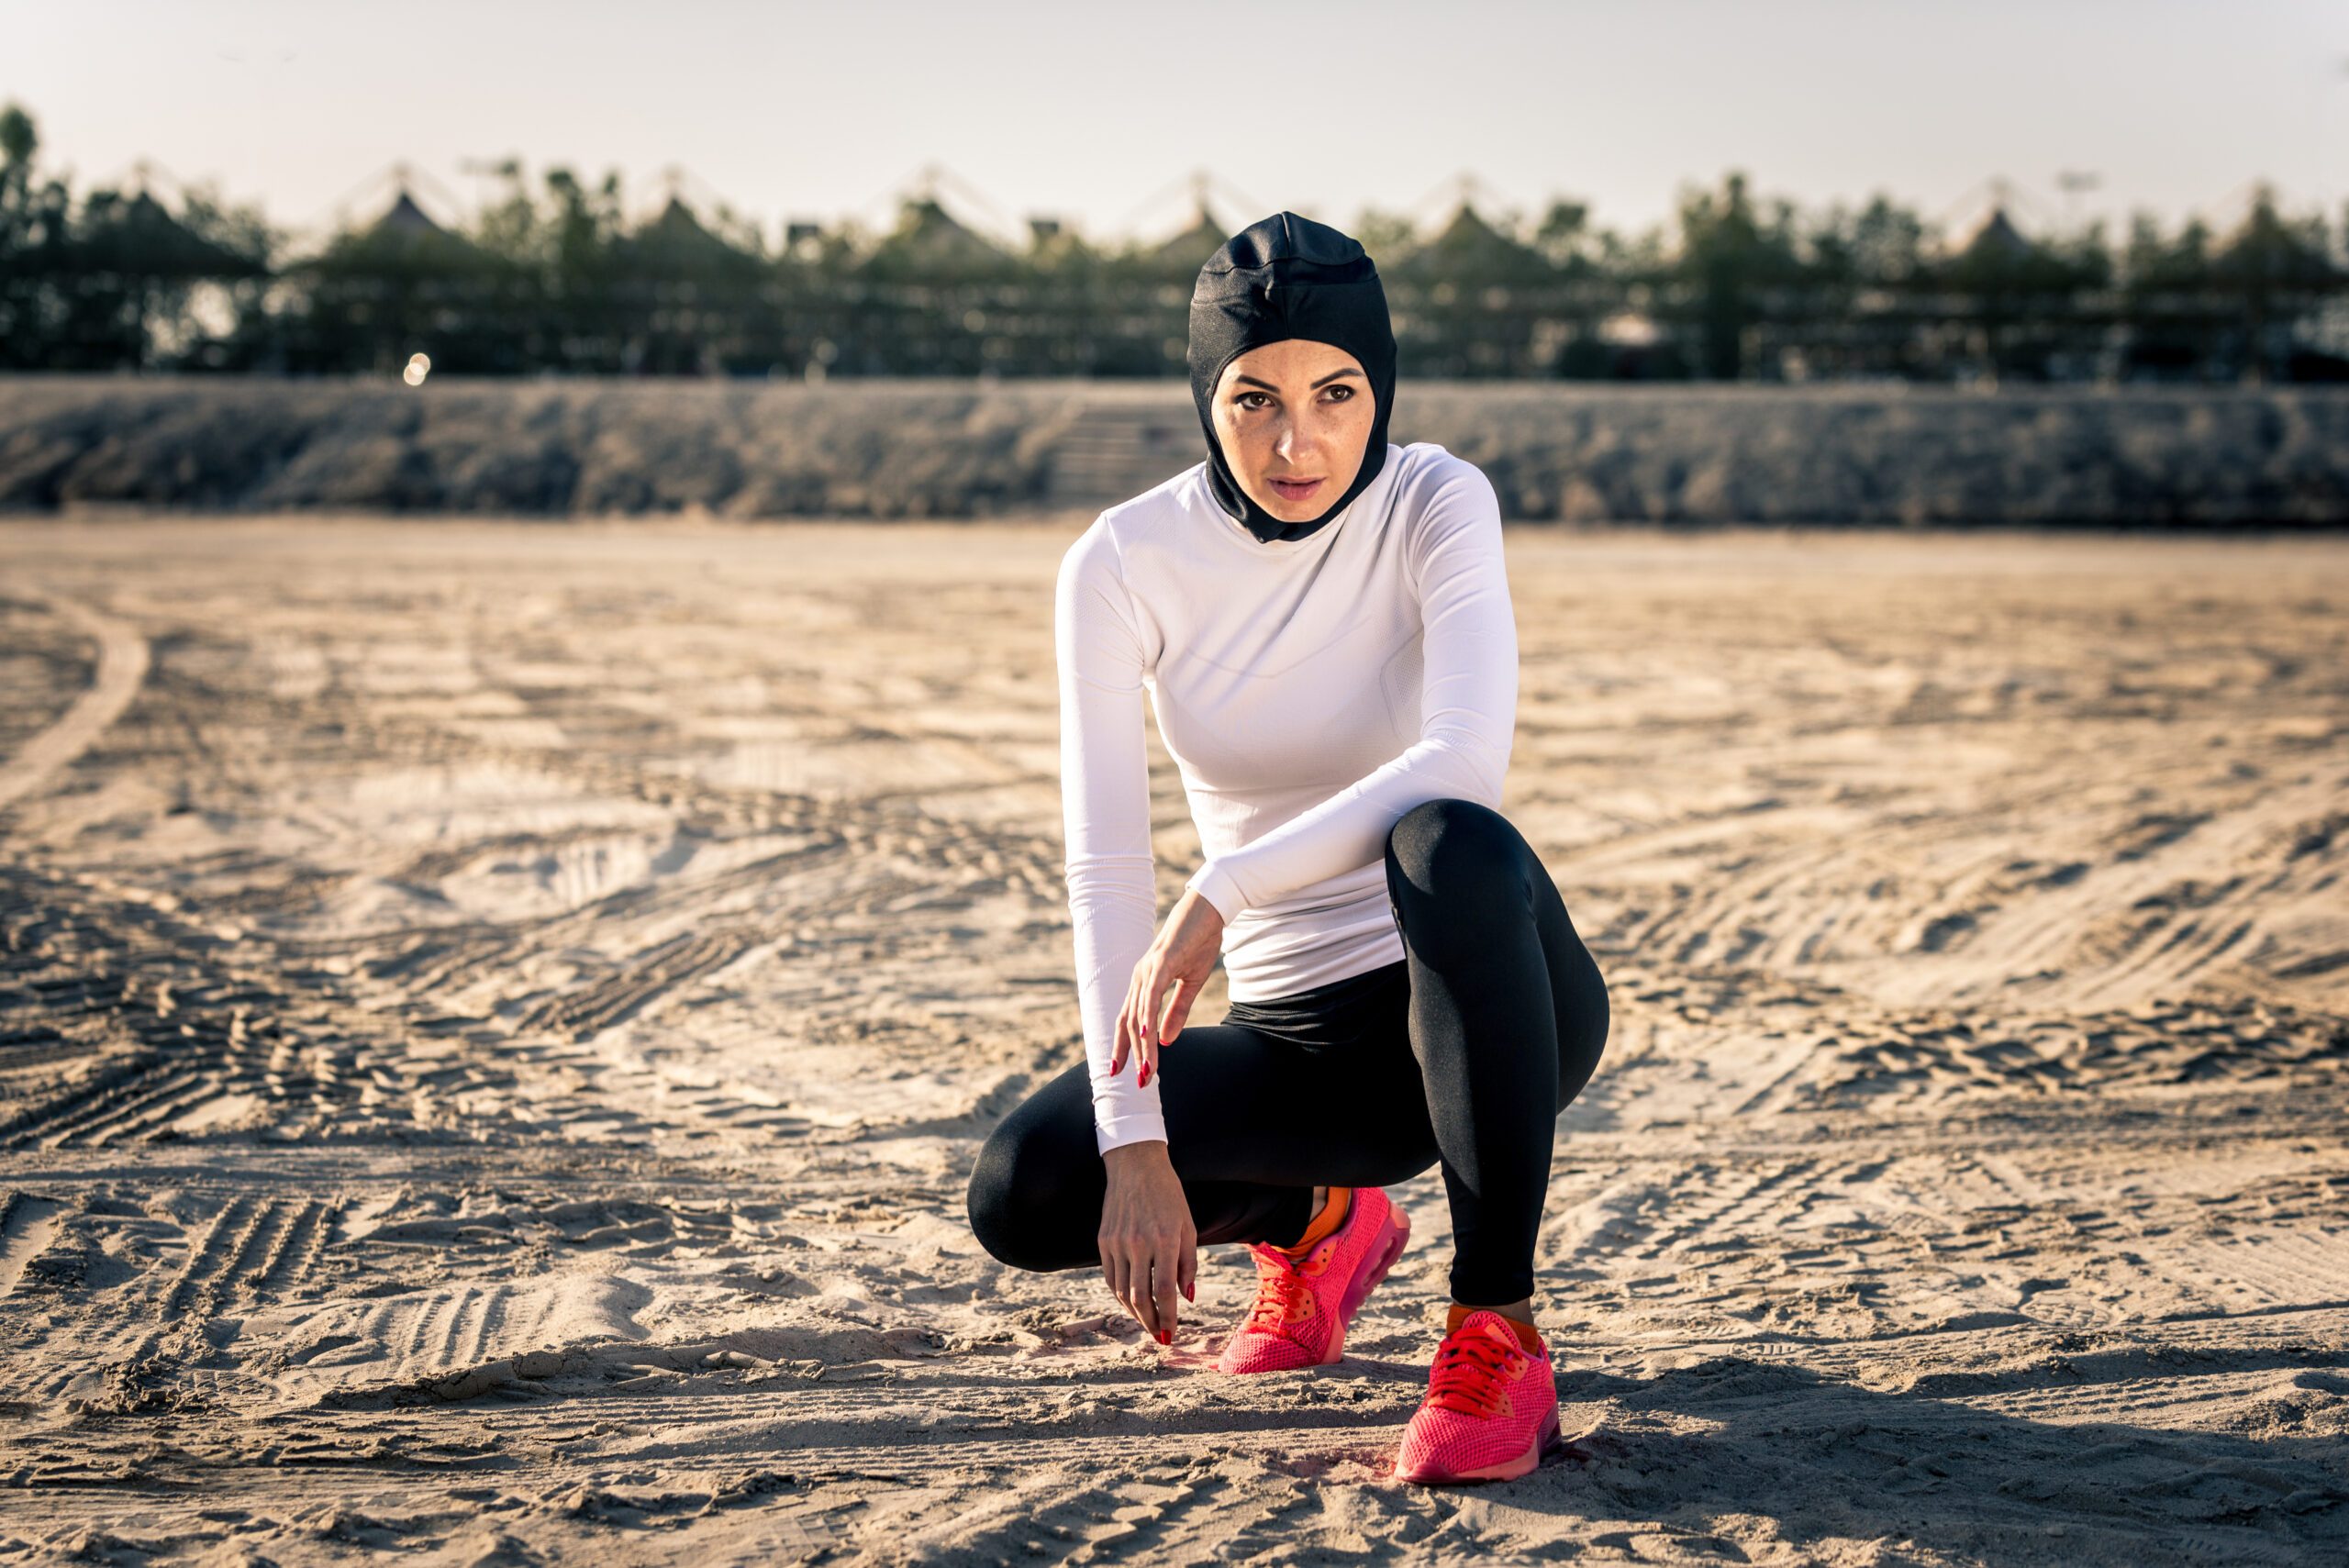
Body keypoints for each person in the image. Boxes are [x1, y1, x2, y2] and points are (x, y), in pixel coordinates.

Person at [965, 211, 1609, 1486]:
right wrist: (1133, 1136)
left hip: (1491, 1003)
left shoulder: (1438, 498)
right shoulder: (1122, 563)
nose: (1294, 439)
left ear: (1383, 394)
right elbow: (1102, 866)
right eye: (1252, 397)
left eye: (1335, 393)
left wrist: (1223, 886)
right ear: (1207, 396)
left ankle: (1497, 1329)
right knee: (1030, 1188)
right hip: (1307, 1057)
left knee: (1449, 839)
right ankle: (1318, 1223)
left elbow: (1463, 762)